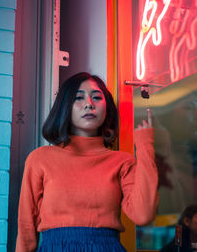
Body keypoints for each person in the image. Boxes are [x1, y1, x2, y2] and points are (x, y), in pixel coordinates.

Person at [15, 72, 158, 252]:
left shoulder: (122, 162)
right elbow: (26, 229)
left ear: (107, 108)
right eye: (79, 98)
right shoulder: (40, 159)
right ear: (65, 106)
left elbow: (143, 215)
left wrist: (145, 147)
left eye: (97, 97)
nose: (89, 104)